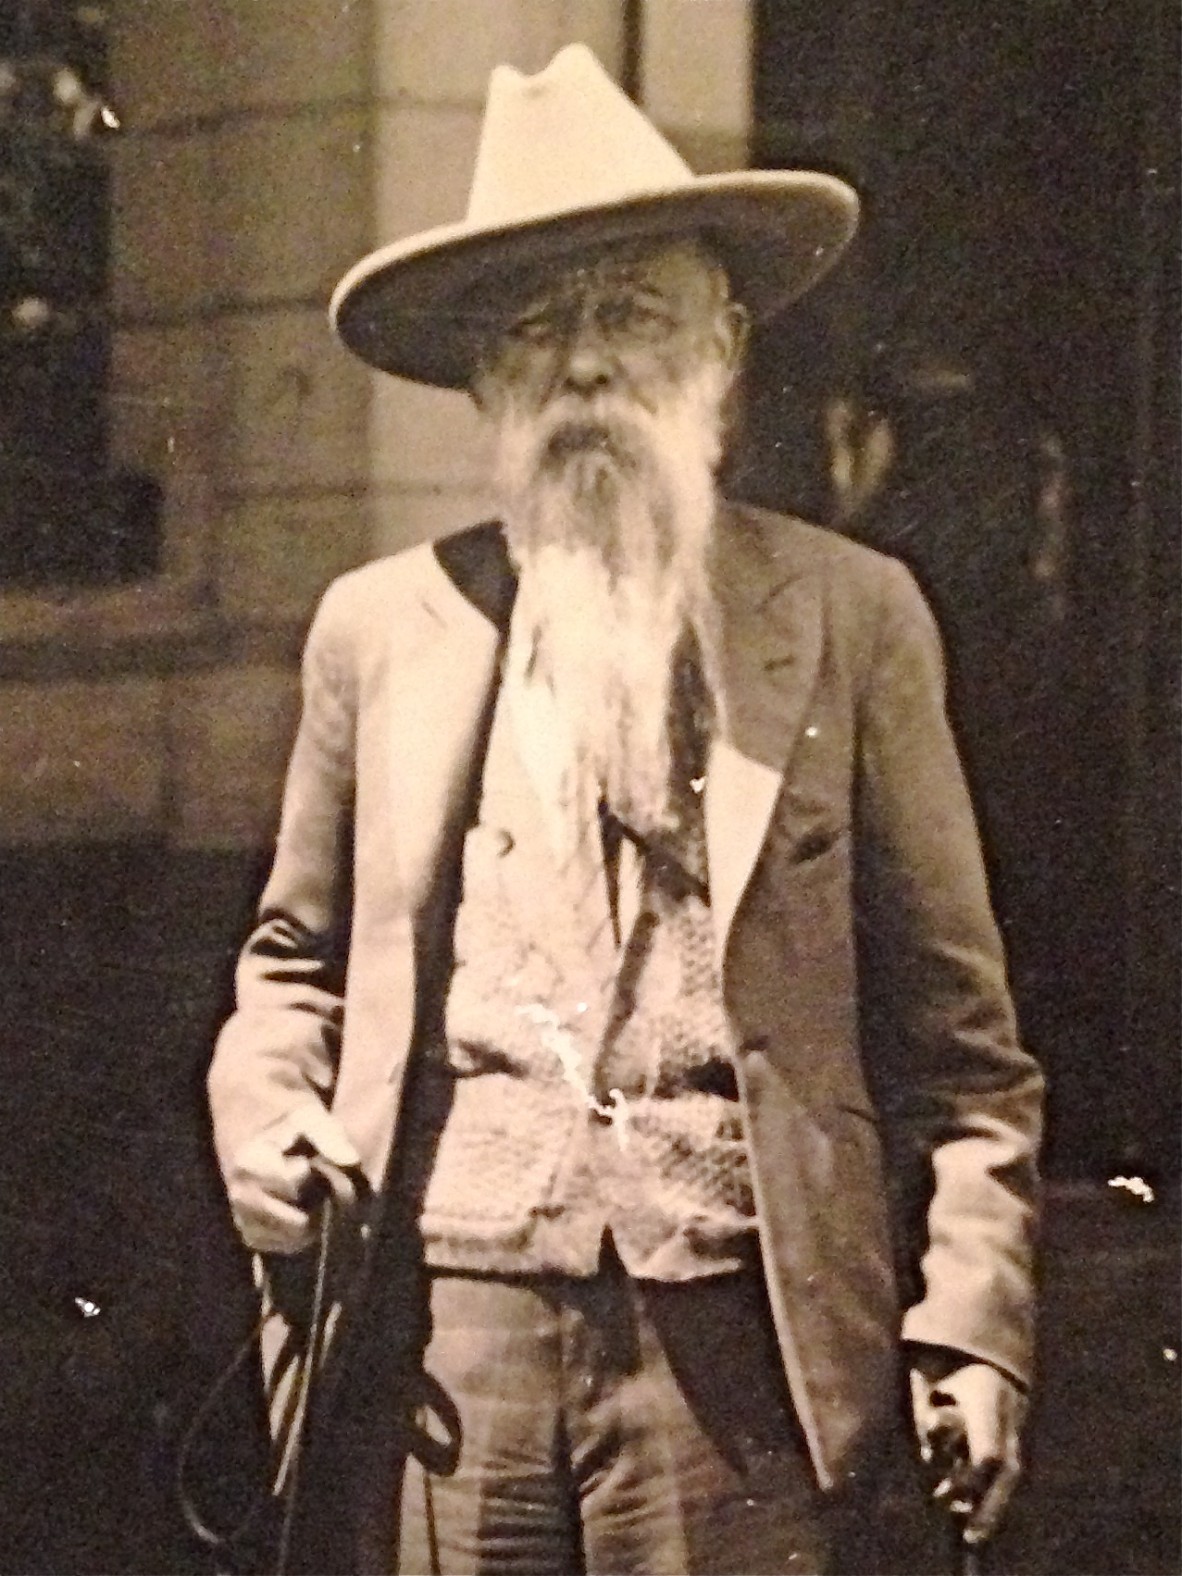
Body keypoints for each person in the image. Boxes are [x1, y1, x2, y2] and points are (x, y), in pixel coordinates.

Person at [207, 44, 1043, 1576]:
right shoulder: (381, 628)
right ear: (482, 379)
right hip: (447, 1359)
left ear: (719, 348)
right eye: (536, 327)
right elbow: (289, 964)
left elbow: (967, 1057)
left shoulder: (852, 619)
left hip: (737, 1360)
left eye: (630, 316)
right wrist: (266, 1116)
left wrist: (972, 1330)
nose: (584, 365)